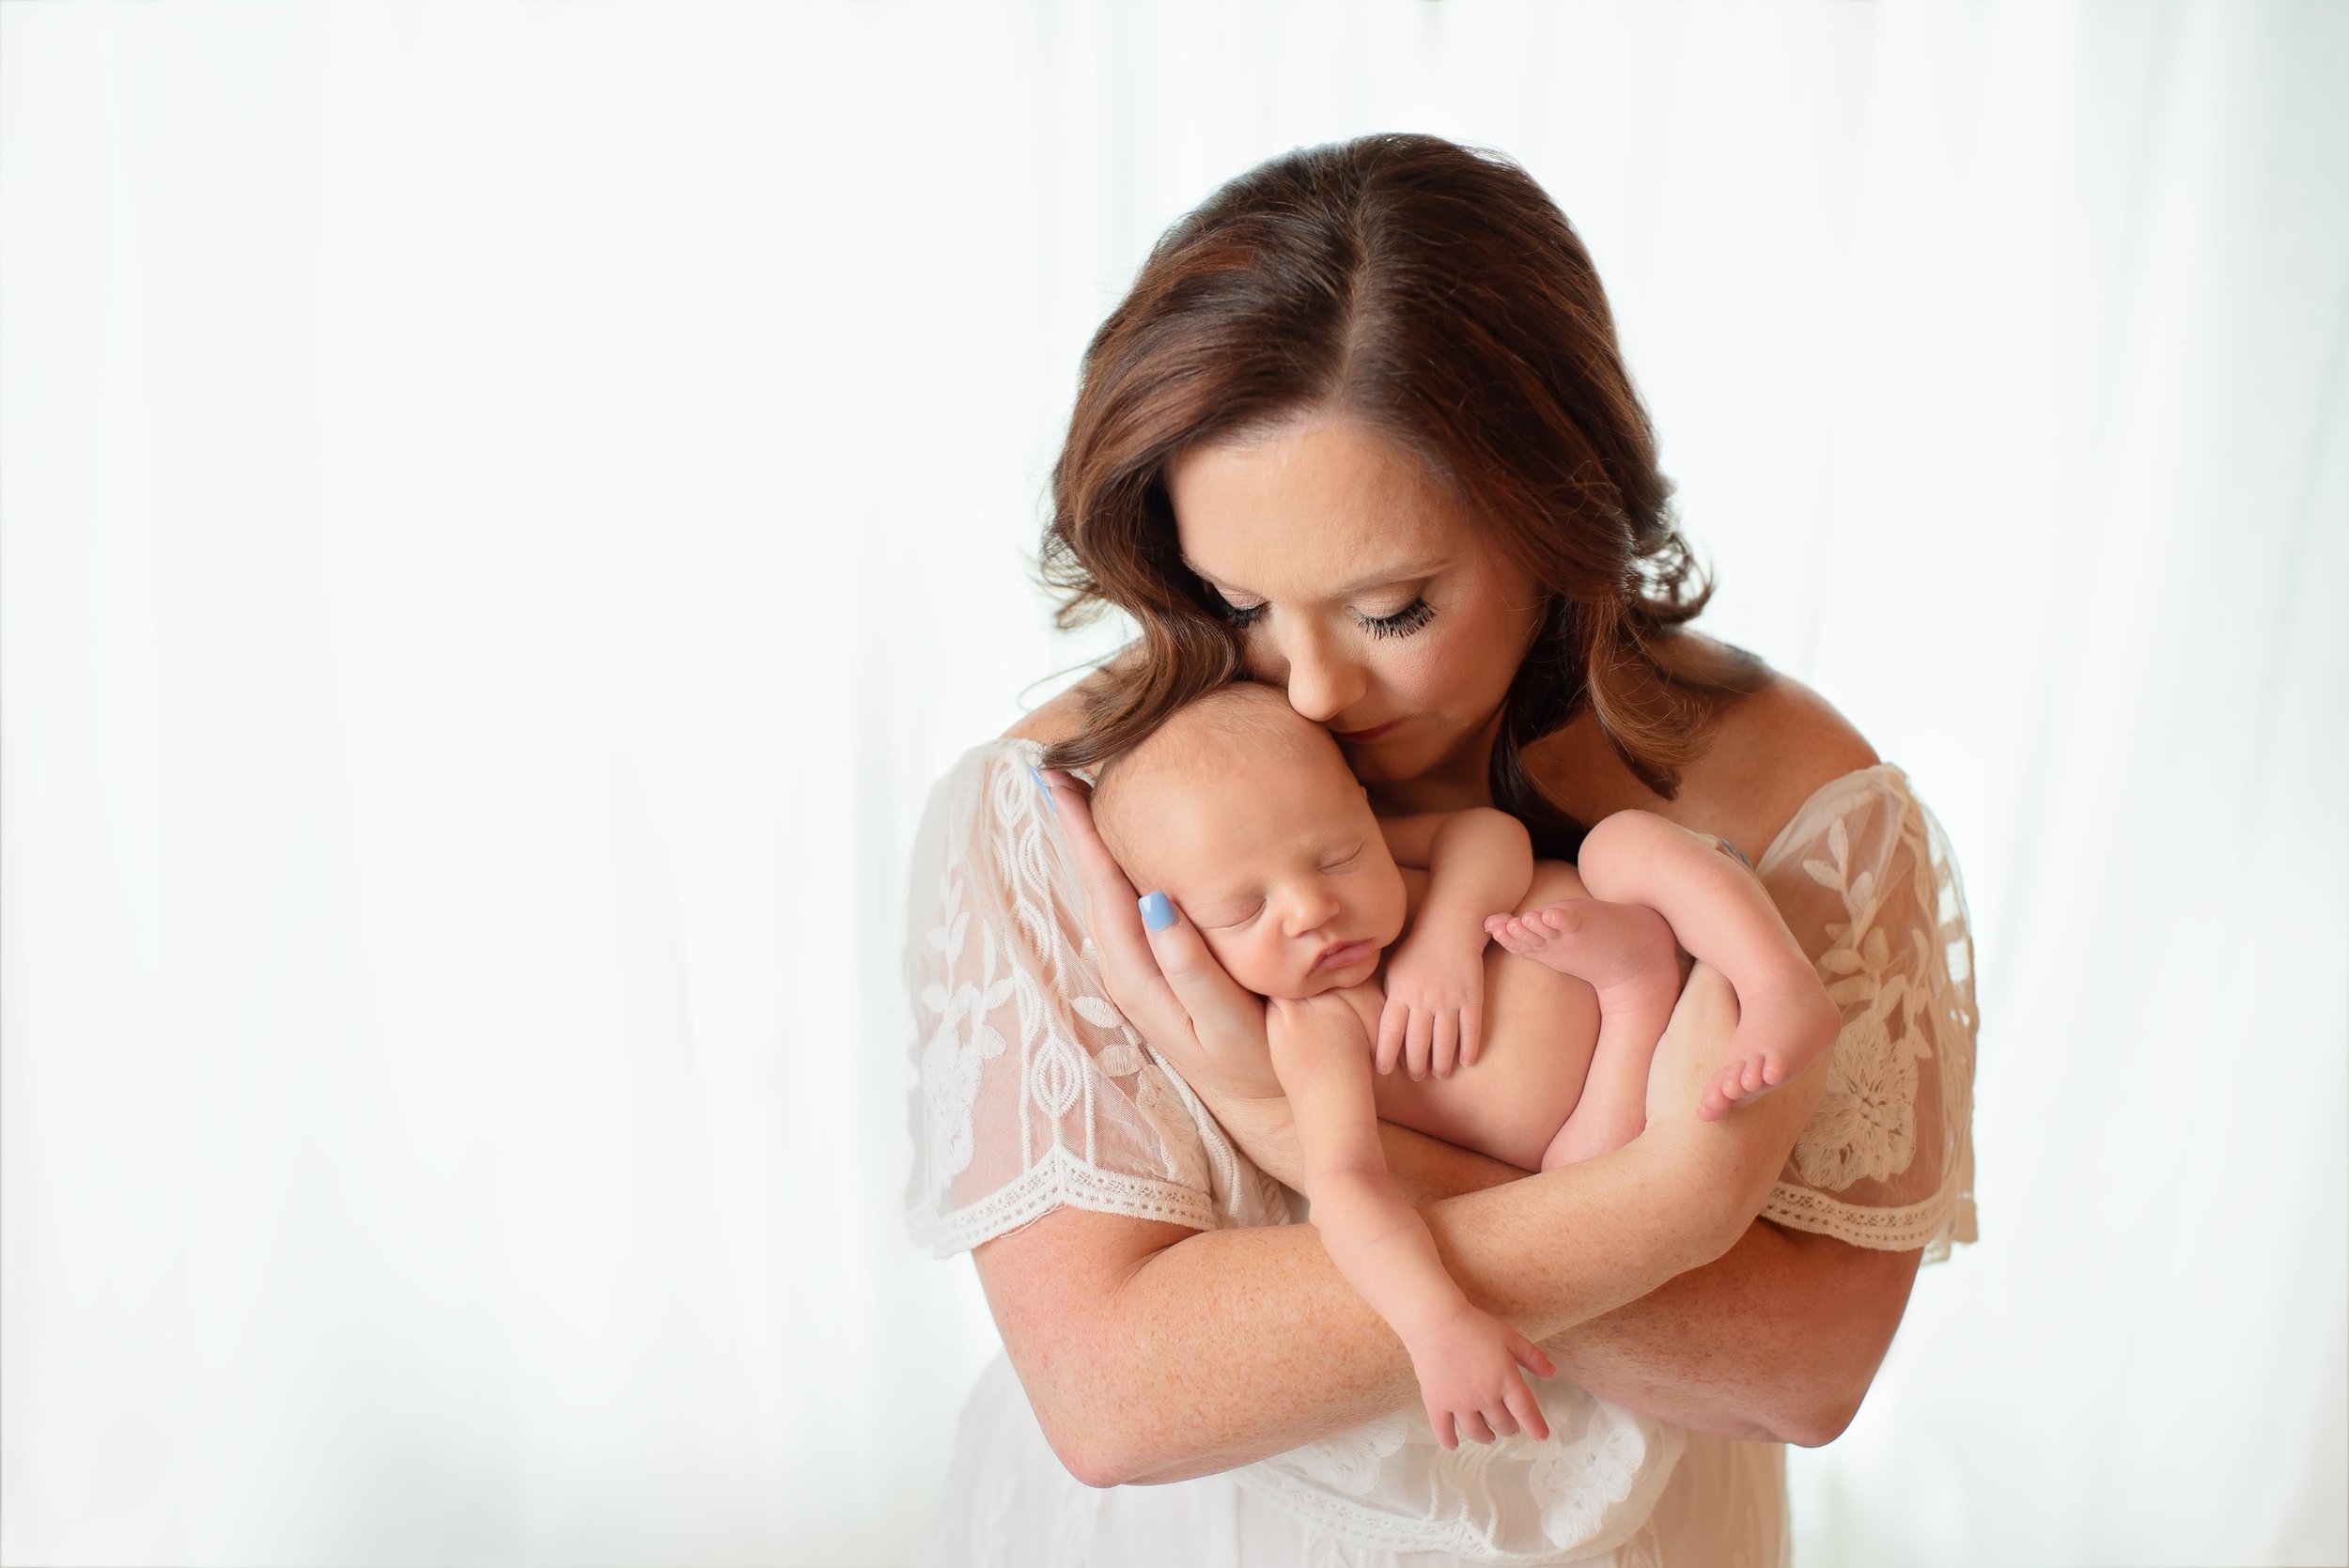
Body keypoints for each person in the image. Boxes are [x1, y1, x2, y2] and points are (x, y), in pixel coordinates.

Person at [903, 132, 1978, 1566]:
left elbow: (1800, 1371)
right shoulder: (1085, 811)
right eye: (1235, 602)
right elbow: (1112, 1397)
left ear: (1560, 517)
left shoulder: (1800, 808)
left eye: (1393, 608)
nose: (1308, 694)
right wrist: (1668, 1207)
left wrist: (1282, 1113)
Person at [1078, 678, 1846, 1456]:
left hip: (1671, 951)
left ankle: (1777, 982)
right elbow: (1348, 1184)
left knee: (1625, 843)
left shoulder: (1404, 859)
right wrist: (1434, 1322)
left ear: (1360, 806)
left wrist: (1447, 935)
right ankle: (1633, 986)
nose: (1312, 907)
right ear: (1188, 940)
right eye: (1245, 912)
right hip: (1619, 1100)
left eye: (1338, 854)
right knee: (1582, 1179)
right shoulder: (1318, 1024)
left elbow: (1488, 835)